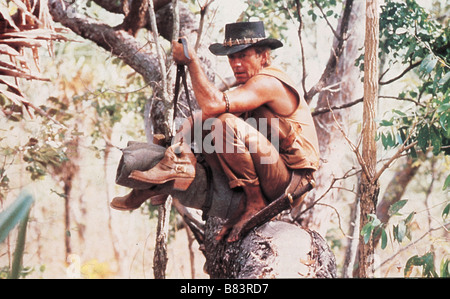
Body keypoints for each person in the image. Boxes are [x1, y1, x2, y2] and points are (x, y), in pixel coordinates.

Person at [111, 21, 320, 243]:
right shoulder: (250, 86)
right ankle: (161, 180)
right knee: (204, 124)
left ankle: (255, 202)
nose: (236, 64)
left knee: (223, 124)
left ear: (263, 56)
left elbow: (213, 105)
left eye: (243, 56)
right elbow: (200, 117)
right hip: (272, 174)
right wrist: (178, 149)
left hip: (290, 182)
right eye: (231, 57)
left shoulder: (268, 82)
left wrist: (191, 61)